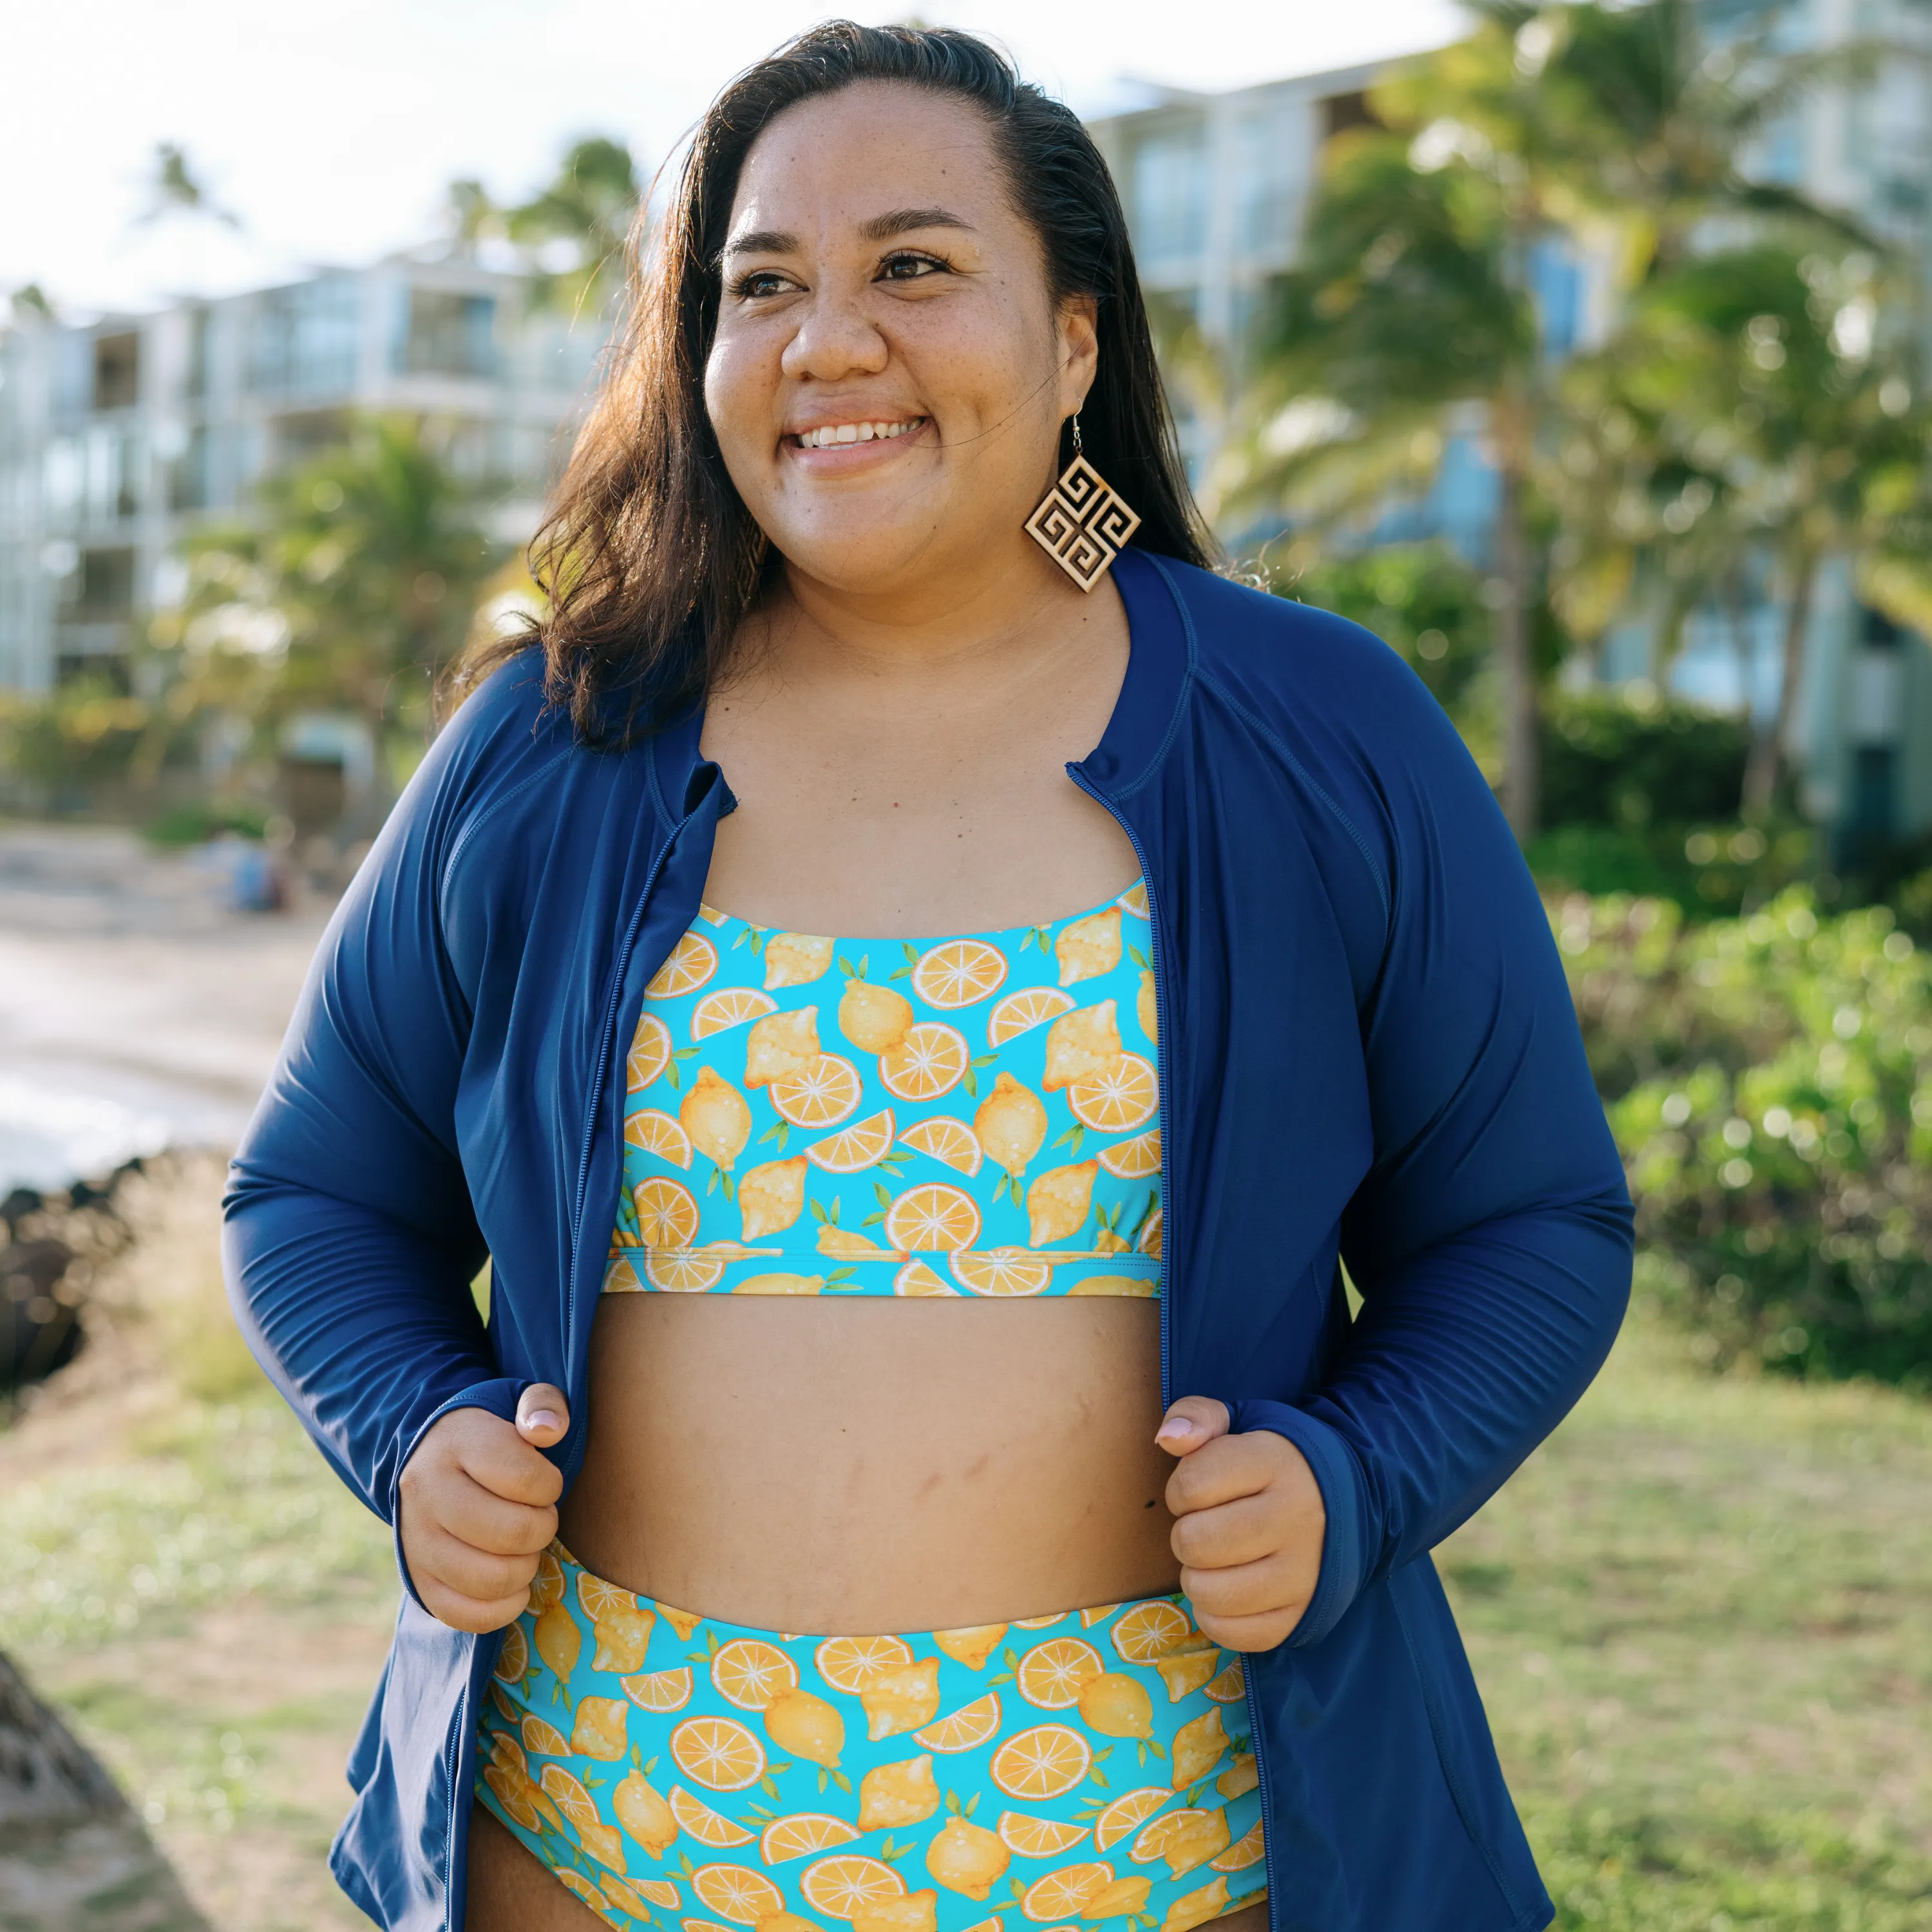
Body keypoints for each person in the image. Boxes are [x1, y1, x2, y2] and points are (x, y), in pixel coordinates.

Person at [223, 24, 1633, 1932]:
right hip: (593, 1846)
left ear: (1073, 342)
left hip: (1171, 1862)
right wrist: (412, 1431)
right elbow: (312, 1192)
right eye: (760, 287)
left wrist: (1355, 1476)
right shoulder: (553, 738)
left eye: (913, 266)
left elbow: (1534, 1220)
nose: (827, 342)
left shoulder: (1318, 727)